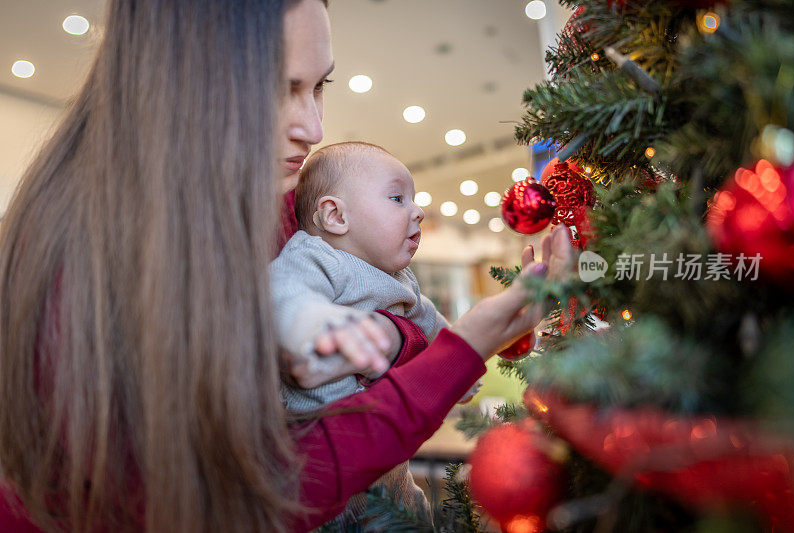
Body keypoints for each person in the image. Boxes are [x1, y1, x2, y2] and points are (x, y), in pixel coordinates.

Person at [0, 1, 574, 532]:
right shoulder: (72, 271)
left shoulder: (275, 205)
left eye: (319, 87)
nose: (313, 129)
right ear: (176, 85)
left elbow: (367, 307)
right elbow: (256, 497)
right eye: (277, 88)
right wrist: (462, 345)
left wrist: (405, 340)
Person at [273, 141, 482, 528]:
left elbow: (431, 325)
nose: (418, 210)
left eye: (413, 199)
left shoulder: (400, 279)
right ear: (335, 216)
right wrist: (324, 326)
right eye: (397, 197)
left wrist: (464, 366)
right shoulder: (314, 256)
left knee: (410, 512)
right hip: (319, 468)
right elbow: (285, 297)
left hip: (387, 466)